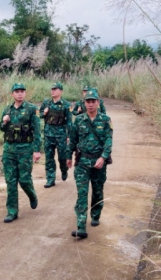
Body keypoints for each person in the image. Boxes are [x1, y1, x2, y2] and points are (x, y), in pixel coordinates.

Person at [67, 89, 113, 239]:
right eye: (88, 101)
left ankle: (95, 214)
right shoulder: (79, 120)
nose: (91, 104)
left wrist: (103, 157)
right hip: (82, 162)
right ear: (84, 103)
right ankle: (81, 226)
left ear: (98, 103)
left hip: (99, 162)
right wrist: (68, 156)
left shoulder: (106, 120)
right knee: (82, 193)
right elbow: (73, 140)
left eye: (93, 101)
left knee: (97, 190)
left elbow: (108, 141)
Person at [0, 82, 41, 223]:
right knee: (10, 182)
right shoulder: (7, 110)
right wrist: (4, 122)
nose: (20, 93)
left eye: (22, 91)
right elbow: (1, 128)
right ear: (12, 94)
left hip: (25, 149)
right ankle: (12, 211)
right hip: (9, 150)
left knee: (24, 179)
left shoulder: (31, 109)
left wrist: (36, 150)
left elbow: (37, 130)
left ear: (25, 93)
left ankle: (32, 194)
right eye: (17, 91)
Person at [39, 82, 72, 188]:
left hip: (61, 135)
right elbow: (38, 115)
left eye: (55, 89)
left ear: (61, 91)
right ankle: (50, 179)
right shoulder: (46, 103)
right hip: (48, 135)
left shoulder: (66, 105)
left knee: (62, 157)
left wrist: (69, 136)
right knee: (49, 158)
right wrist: (43, 113)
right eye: (52, 89)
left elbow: (69, 122)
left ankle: (64, 169)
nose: (52, 91)